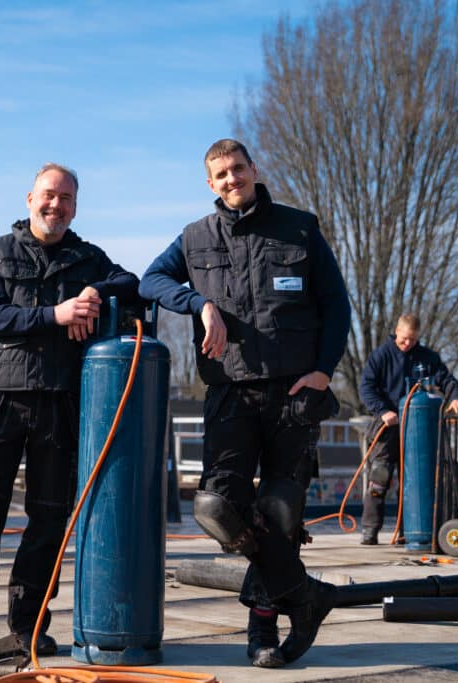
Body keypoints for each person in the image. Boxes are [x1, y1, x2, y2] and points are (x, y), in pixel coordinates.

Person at [0, 163, 140, 662]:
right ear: (29, 199)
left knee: (49, 518)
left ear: (75, 207)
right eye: (49, 196)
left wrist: (97, 292)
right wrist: (57, 315)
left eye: (67, 200)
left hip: (59, 401)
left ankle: (28, 626)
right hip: (0, 398)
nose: (56, 206)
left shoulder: (89, 259)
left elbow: (132, 281)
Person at [139, 139, 351, 668]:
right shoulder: (195, 238)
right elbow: (150, 279)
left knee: (280, 513)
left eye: (238, 169)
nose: (231, 179)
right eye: (221, 174)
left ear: (254, 170)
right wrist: (201, 304)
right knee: (218, 506)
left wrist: (324, 372)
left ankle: (261, 631)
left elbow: (336, 304)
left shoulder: (300, 227)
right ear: (210, 185)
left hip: (294, 395)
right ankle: (304, 596)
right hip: (229, 392)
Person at [359, 313, 458, 546]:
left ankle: (408, 529)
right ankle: (370, 530)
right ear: (396, 331)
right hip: (387, 425)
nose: (408, 344)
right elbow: (366, 387)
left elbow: (446, 379)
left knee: (413, 480)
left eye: (413, 340)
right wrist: (383, 411)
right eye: (404, 339)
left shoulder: (427, 358)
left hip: (418, 428)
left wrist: (455, 397)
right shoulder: (380, 356)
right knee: (379, 477)